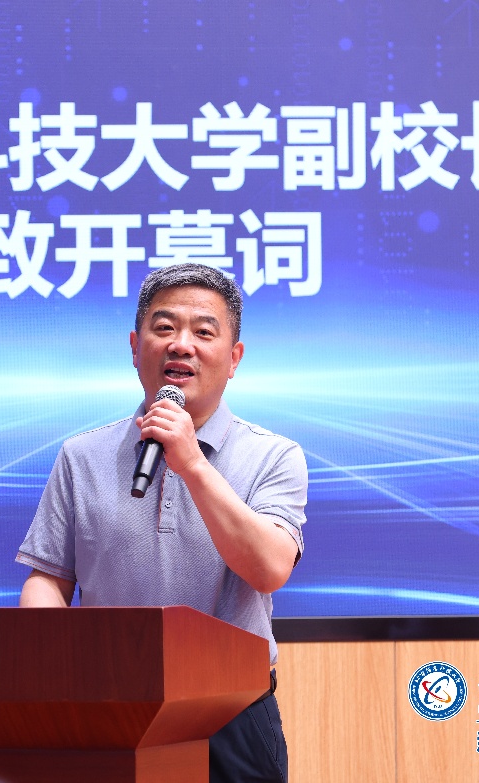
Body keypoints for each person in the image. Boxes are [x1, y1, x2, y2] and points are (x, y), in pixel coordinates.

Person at [16, 263, 307, 783]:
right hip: (105, 704)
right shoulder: (82, 456)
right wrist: (53, 663)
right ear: (135, 348)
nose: (181, 345)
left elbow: (269, 569)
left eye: (203, 332)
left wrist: (192, 463)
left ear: (234, 358)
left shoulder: (274, 456)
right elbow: (49, 578)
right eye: (164, 327)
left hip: (232, 714)